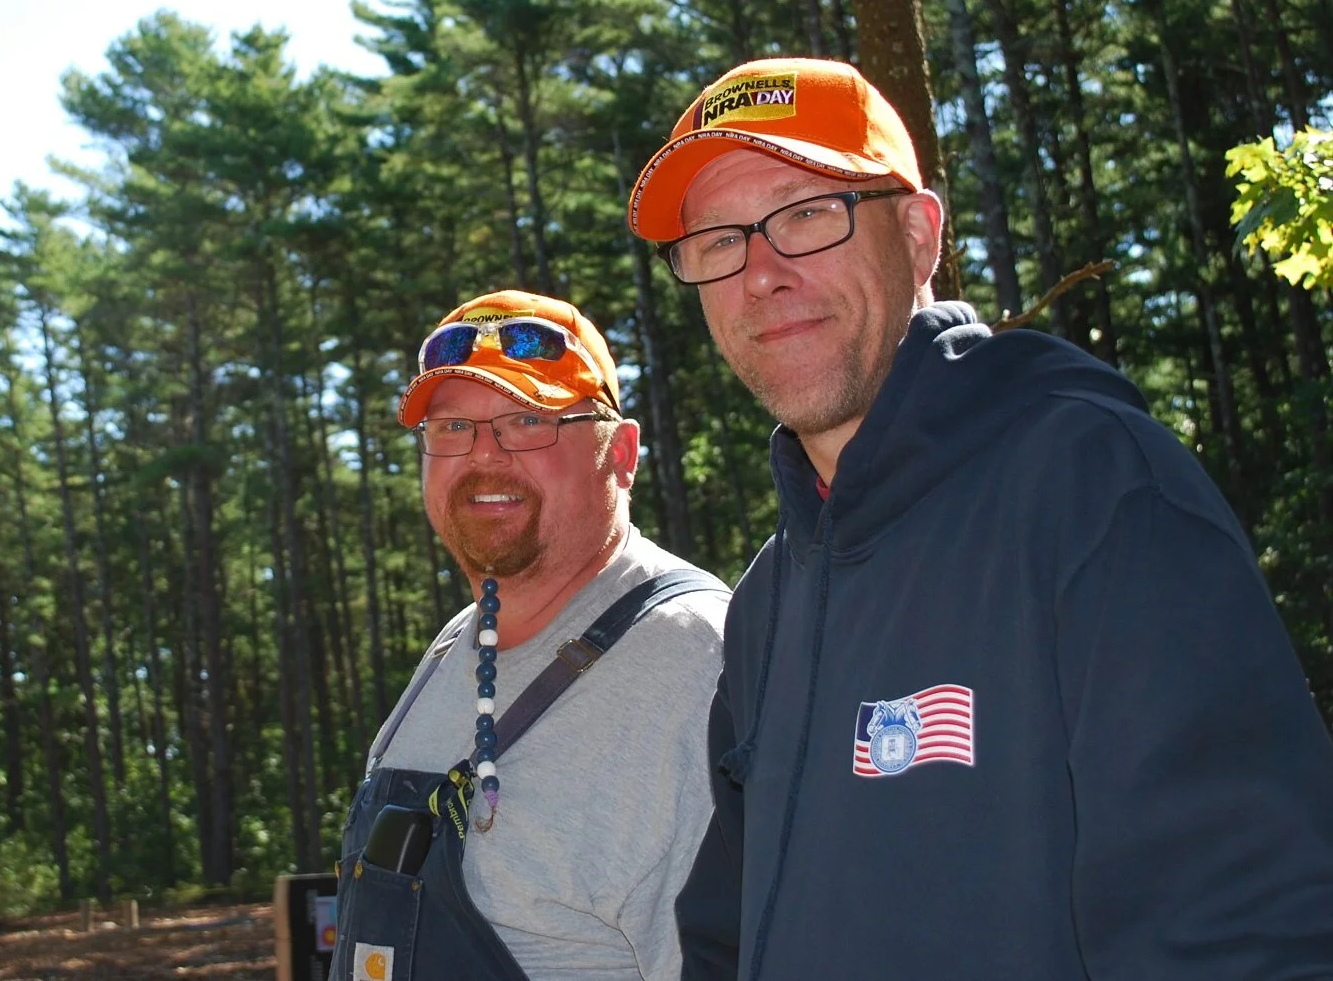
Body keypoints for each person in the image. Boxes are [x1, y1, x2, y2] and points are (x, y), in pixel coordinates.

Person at [623, 57, 1333, 980]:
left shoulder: (1093, 487)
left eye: (807, 214)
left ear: (919, 238)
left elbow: (1251, 927)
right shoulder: (767, 603)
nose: (762, 272)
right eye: (719, 239)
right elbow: (725, 938)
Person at [331, 290, 729, 981]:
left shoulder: (699, 661)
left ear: (623, 454)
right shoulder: (453, 645)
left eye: (527, 421)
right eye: (452, 427)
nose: (484, 455)